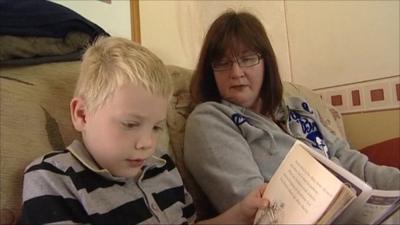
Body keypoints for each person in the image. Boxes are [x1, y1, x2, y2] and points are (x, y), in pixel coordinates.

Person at [19, 37, 269, 224]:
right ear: (82, 114)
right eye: (130, 124)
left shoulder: (161, 166)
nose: (147, 143)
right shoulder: (52, 178)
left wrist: (240, 214)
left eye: (157, 126)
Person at [184, 10, 400, 213]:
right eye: (222, 62)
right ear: (210, 71)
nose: (236, 72)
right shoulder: (209, 120)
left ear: (266, 62)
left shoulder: (297, 105)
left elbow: (352, 162)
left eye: (247, 58)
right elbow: (258, 208)